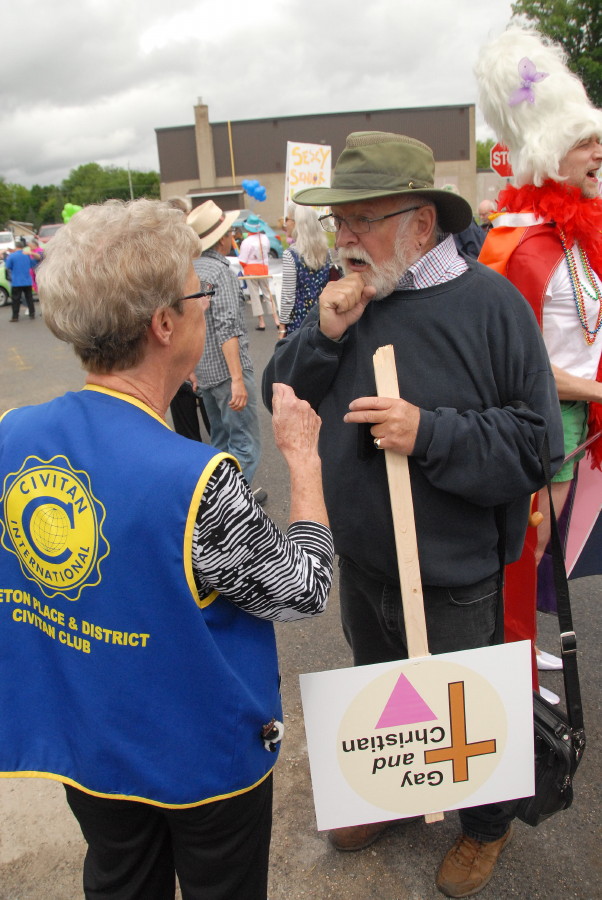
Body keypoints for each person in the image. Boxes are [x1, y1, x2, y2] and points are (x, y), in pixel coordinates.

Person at [0, 198, 333, 900]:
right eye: (197, 290)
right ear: (163, 324)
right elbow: (303, 586)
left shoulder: (12, 433)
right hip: (199, 756)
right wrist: (304, 465)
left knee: (119, 877)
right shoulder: (196, 480)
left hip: (86, 737)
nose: (208, 302)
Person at [262, 131, 564, 899]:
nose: (345, 239)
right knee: (381, 688)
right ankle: (391, 792)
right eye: (340, 223)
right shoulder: (344, 300)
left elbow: (536, 446)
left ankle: (485, 826)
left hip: (452, 572)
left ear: (421, 225)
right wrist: (323, 334)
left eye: (362, 220)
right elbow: (284, 395)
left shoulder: (491, 307)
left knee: (466, 707)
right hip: (364, 562)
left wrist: (428, 432)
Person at [476, 27, 602, 690]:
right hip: (537, 423)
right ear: (551, 151)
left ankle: (519, 652)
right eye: (584, 140)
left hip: (576, 421)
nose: (598, 152)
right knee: (520, 551)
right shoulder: (520, 246)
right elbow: (517, 365)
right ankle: (510, 670)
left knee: (542, 547)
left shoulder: (575, 229)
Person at [187, 199, 267, 502]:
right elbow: (227, 327)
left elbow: (188, 325)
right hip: (227, 370)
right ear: (221, 238)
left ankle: (220, 503)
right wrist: (236, 378)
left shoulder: (191, 269)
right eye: (230, 231)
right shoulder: (221, 272)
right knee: (245, 445)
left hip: (204, 371)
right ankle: (230, 507)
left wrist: (190, 368)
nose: (233, 235)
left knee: (220, 444)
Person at [278, 203, 333, 337]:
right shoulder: (326, 252)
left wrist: (282, 327)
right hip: (323, 318)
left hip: (299, 322)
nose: (286, 224)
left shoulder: (291, 254)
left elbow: (288, 296)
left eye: (288, 220)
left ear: (298, 224)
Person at [238, 214, 279, 331]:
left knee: (255, 295)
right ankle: (276, 319)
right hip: (263, 269)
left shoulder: (246, 242)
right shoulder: (265, 238)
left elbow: (242, 260)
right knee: (268, 294)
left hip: (251, 271)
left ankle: (261, 322)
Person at [5, 238, 36, 321]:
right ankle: (32, 314)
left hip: (16, 281)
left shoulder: (12, 256)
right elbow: (32, 264)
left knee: (16, 299)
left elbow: (8, 266)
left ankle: (15, 316)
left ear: (16, 247)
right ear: (22, 247)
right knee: (29, 297)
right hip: (27, 280)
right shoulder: (27, 255)